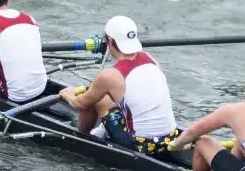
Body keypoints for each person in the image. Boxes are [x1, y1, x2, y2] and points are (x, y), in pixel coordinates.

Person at [60, 15, 176, 146]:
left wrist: (68, 94)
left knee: (93, 95)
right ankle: (103, 130)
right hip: (171, 138)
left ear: (109, 41)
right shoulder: (149, 58)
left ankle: (82, 136)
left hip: (140, 144)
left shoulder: (109, 76)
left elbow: (80, 103)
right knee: (112, 94)